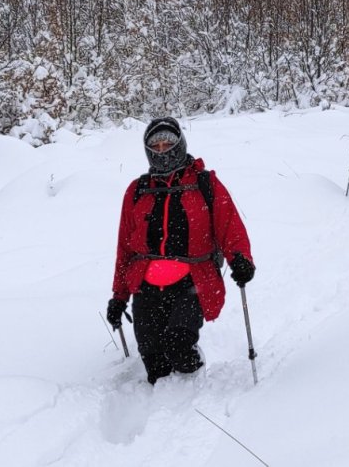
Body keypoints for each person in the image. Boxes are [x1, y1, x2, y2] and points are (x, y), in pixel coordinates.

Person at [106, 117, 255, 384]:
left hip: (192, 280)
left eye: (168, 144)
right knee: (154, 362)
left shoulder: (204, 183)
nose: (162, 151)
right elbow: (124, 248)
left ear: (180, 143)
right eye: (156, 146)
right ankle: (160, 400)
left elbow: (229, 226)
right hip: (146, 285)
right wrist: (119, 296)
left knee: (178, 346)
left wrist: (240, 259)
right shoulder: (138, 190)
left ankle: (192, 388)